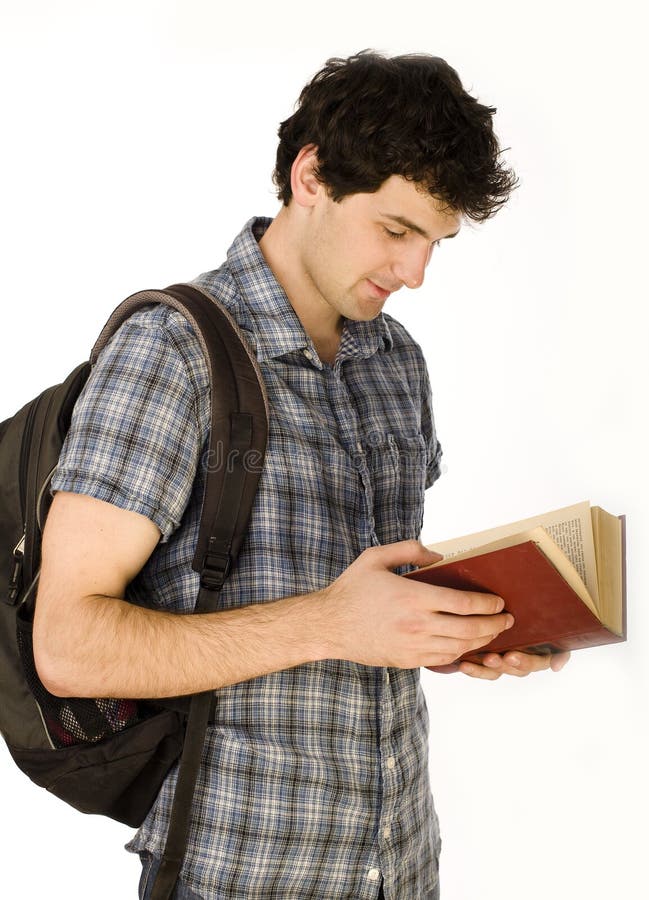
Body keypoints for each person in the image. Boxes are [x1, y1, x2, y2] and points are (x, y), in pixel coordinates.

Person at [33, 50, 570, 899]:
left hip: (400, 867)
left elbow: (369, 603)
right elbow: (68, 646)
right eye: (396, 231)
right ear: (310, 174)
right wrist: (331, 625)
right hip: (238, 873)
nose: (415, 273)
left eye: (435, 241)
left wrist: (456, 629)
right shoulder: (170, 351)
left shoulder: (396, 361)